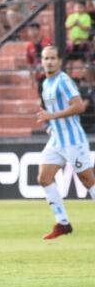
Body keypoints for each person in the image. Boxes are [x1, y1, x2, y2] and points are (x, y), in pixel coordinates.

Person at [35, 45, 95, 240]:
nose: (49, 62)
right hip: (57, 140)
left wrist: (52, 115)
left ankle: (62, 222)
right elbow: (53, 114)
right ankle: (62, 223)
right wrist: (51, 124)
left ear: (60, 61)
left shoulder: (63, 80)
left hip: (73, 140)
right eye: (46, 58)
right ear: (41, 61)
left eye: (53, 58)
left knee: (88, 181)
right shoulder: (46, 83)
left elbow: (78, 106)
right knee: (44, 178)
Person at [25, 22, 51, 106]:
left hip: (50, 74)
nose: (32, 32)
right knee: (42, 96)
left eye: (34, 30)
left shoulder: (47, 42)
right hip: (39, 75)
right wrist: (31, 77)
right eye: (30, 30)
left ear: (39, 30)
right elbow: (29, 62)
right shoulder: (29, 46)